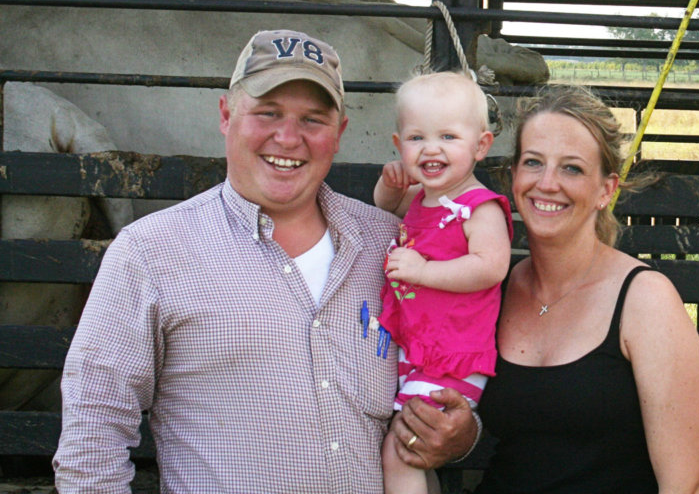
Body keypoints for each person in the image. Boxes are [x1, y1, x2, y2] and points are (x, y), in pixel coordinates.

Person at [53, 28, 477, 494]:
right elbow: (92, 432)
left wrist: (461, 435)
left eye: (313, 119)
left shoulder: (390, 245)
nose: (288, 137)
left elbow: (450, 358)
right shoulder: (151, 252)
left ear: (339, 133)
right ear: (226, 115)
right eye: (267, 113)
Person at [389, 84, 699, 494]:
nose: (547, 183)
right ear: (514, 176)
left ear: (606, 190)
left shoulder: (645, 299)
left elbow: (687, 485)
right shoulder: (492, 288)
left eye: (571, 168)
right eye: (533, 162)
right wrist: (460, 436)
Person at [373, 72, 513, 494]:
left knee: (401, 449)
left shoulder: (479, 208)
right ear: (398, 144)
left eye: (448, 137)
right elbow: (387, 206)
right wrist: (389, 186)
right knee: (415, 453)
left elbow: (491, 267)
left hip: (453, 355)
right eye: (417, 138)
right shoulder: (421, 197)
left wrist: (423, 273)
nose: (431, 148)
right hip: (420, 349)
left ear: (481, 146)